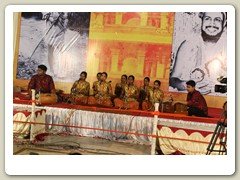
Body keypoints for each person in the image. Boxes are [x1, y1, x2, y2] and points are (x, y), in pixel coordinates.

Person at [170, 12, 227, 94]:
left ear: (224, 23)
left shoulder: (230, 47)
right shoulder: (187, 45)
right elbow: (173, 79)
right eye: (207, 18)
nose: (212, 23)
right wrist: (187, 86)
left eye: (217, 20)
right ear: (201, 20)